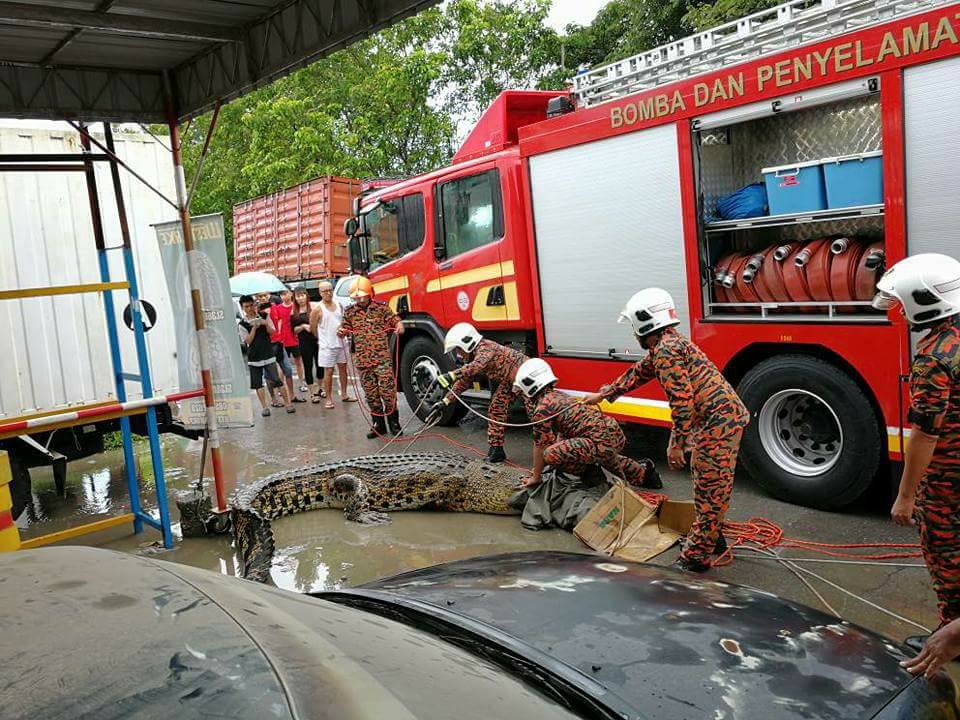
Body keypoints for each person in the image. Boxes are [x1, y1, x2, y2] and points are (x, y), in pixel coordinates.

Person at [583, 288, 749, 573]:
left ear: (642, 323)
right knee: (711, 482)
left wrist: (677, 444)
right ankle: (712, 537)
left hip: (717, 423)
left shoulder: (666, 351)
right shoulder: (668, 343)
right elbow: (639, 372)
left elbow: (682, 401)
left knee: (710, 488)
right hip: (720, 419)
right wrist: (605, 394)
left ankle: (695, 559)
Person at [880, 254, 960, 629]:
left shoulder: (934, 357)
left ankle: (953, 634)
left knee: (946, 553)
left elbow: (926, 433)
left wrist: (907, 495)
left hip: (947, 479)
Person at [513, 357, 660, 491]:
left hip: (600, 442)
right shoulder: (559, 395)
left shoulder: (542, 409)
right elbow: (565, 429)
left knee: (551, 455)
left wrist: (536, 477)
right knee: (598, 455)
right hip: (613, 434)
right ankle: (644, 473)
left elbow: (541, 445)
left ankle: (593, 478)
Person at [431, 323, 528, 463]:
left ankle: (552, 450)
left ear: (467, 343)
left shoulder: (485, 348)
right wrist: (444, 402)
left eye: (458, 349)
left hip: (525, 376)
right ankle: (497, 450)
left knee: (538, 415)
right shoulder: (473, 356)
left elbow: (477, 366)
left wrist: (450, 375)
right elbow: (464, 382)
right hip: (509, 381)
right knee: (496, 409)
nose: (458, 353)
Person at [337, 277, 403, 438]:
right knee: (371, 394)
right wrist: (341, 331)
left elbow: (395, 321)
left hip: (382, 359)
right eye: (357, 297)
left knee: (387, 392)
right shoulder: (350, 312)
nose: (360, 299)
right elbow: (343, 327)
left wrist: (400, 326)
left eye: (363, 296)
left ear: (370, 294)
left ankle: (394, 423)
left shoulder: (381, 308)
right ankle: (378, 425)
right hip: (363, 361)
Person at [238, 295, 295, 416]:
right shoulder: (242, 324)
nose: (249, 308)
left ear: (254, 305)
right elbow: (247, 341)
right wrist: (253, 327)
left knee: (277, 379)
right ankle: (264, 407)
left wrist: (264, 323)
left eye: (251, 305)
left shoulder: (264, 316)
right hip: (254, 356)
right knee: (258, 383)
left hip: (268, 353)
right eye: (246, 306)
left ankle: (288, 403)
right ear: (243, 308)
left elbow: (273, 331)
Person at [311, 281, 355, 409]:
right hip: (327, 346)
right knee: (328, 371)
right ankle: (329, 398)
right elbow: (313, 328)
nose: (328, 293)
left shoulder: (339, 304)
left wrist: (343, 330)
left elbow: (344, 321)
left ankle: (344, 394)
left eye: (330, 290)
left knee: (343, 369)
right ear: (320, 293)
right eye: (325, 291)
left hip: (342, 343)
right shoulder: (318, 309)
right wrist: (322, 339)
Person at [255, 291, 300, 405]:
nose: (263, 298)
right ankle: (274, 398)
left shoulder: (274, 307)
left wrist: (279, 331)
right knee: (269, 374)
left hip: (279, 342)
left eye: (265, 295)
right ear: (257, 298)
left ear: (268, 296)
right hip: (266, 345)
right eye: (260, 296)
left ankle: (292, 395)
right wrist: (265, 316)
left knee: (288, 369)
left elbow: (280, 319)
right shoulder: (257, 312)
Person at [290, 288, 320, 403]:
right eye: (298, 296)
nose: (301, 298)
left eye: (302, 295)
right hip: (304, 342)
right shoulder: (293, 312)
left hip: (317, 340)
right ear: (295, 298)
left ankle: (320, 388)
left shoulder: (314, 307)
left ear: (306, 296)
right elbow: (294, 330)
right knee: (308, 366)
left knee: (320, 366)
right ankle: (313, 393)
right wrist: (303, 326)